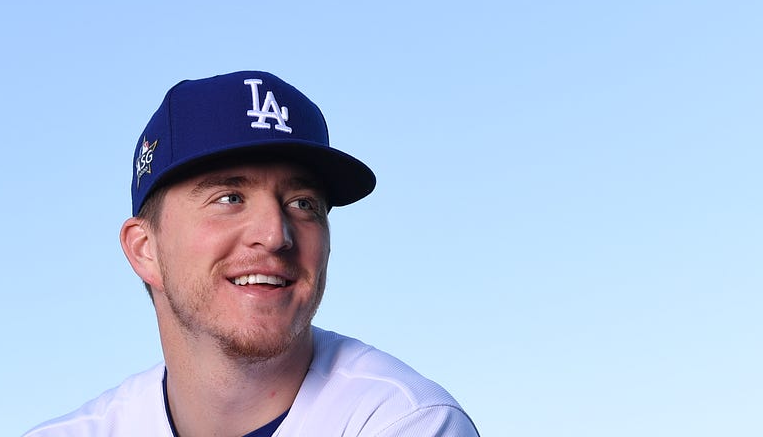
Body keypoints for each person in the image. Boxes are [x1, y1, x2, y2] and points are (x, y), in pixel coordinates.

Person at [24, 71, 478, 437]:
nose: (275, 234)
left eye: (303, 204)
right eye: (228, 198)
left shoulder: (404, 421)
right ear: (146, 250)